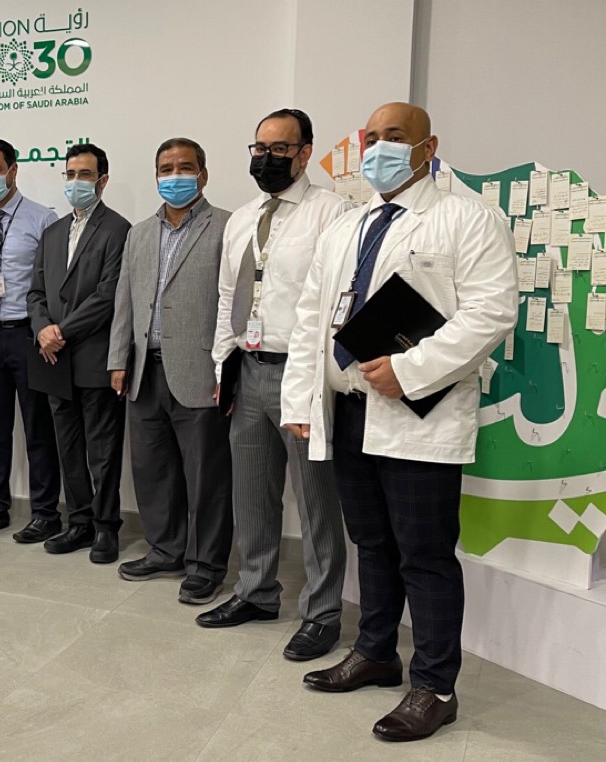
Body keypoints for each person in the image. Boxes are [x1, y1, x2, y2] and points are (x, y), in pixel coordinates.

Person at [283, 102, 516, 741]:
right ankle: (376, 652)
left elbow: (492, 312)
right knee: (372, 541)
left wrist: (410, 370)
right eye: (372, 138)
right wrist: (301, 399)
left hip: (419, 414)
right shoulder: (347, 226)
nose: (379, 148)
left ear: (427, 146)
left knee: (425, 554)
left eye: (395, 137)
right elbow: (312, 316)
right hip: (350, 411)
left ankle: (435, 687)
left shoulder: (467, 218)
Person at [197, 109, 351, 662]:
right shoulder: (243, 218)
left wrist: (319, 377)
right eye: (259, 148)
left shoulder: (333, 213)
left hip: (300, 373)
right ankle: (256, 591)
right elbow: (227, 296)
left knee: (315, 500)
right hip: (247, 368)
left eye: (279, 149)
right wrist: (222, 364)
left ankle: (322, 612)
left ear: (305, 153)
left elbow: (338, 300)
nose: (266, 158)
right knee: (252, 493)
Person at [108, 138, 233, 604]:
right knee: (152, 469)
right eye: (166, 168)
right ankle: (165, 550)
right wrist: (118, 359)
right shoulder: (140, 233)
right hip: (145, 371)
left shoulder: (227, 227)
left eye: (185, 167)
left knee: (206, 477)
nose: (174, 175)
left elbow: (233, 304)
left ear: (203, 174)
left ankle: (206, 565)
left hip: (201, 369)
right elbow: (125, 299)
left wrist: (227, 368)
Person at [28, 144, 131, 563]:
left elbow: (108, 296)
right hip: (54, 360)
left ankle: (106, 527)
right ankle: (80, 523)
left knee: (102, 451)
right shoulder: (52, 232)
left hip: (94, 356)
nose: (75, 182)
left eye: (84, 175)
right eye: (70, 174)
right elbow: (35, 292)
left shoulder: (119, 230)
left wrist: (61, 331)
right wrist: (41, 329)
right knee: (68, 448)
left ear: (102, 180)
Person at [0, 138, 62, 542]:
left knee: (38, 429)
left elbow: (51, 282)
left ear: (13, 170)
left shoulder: (44, 218)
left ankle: (45, 513)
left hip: (27, 334)